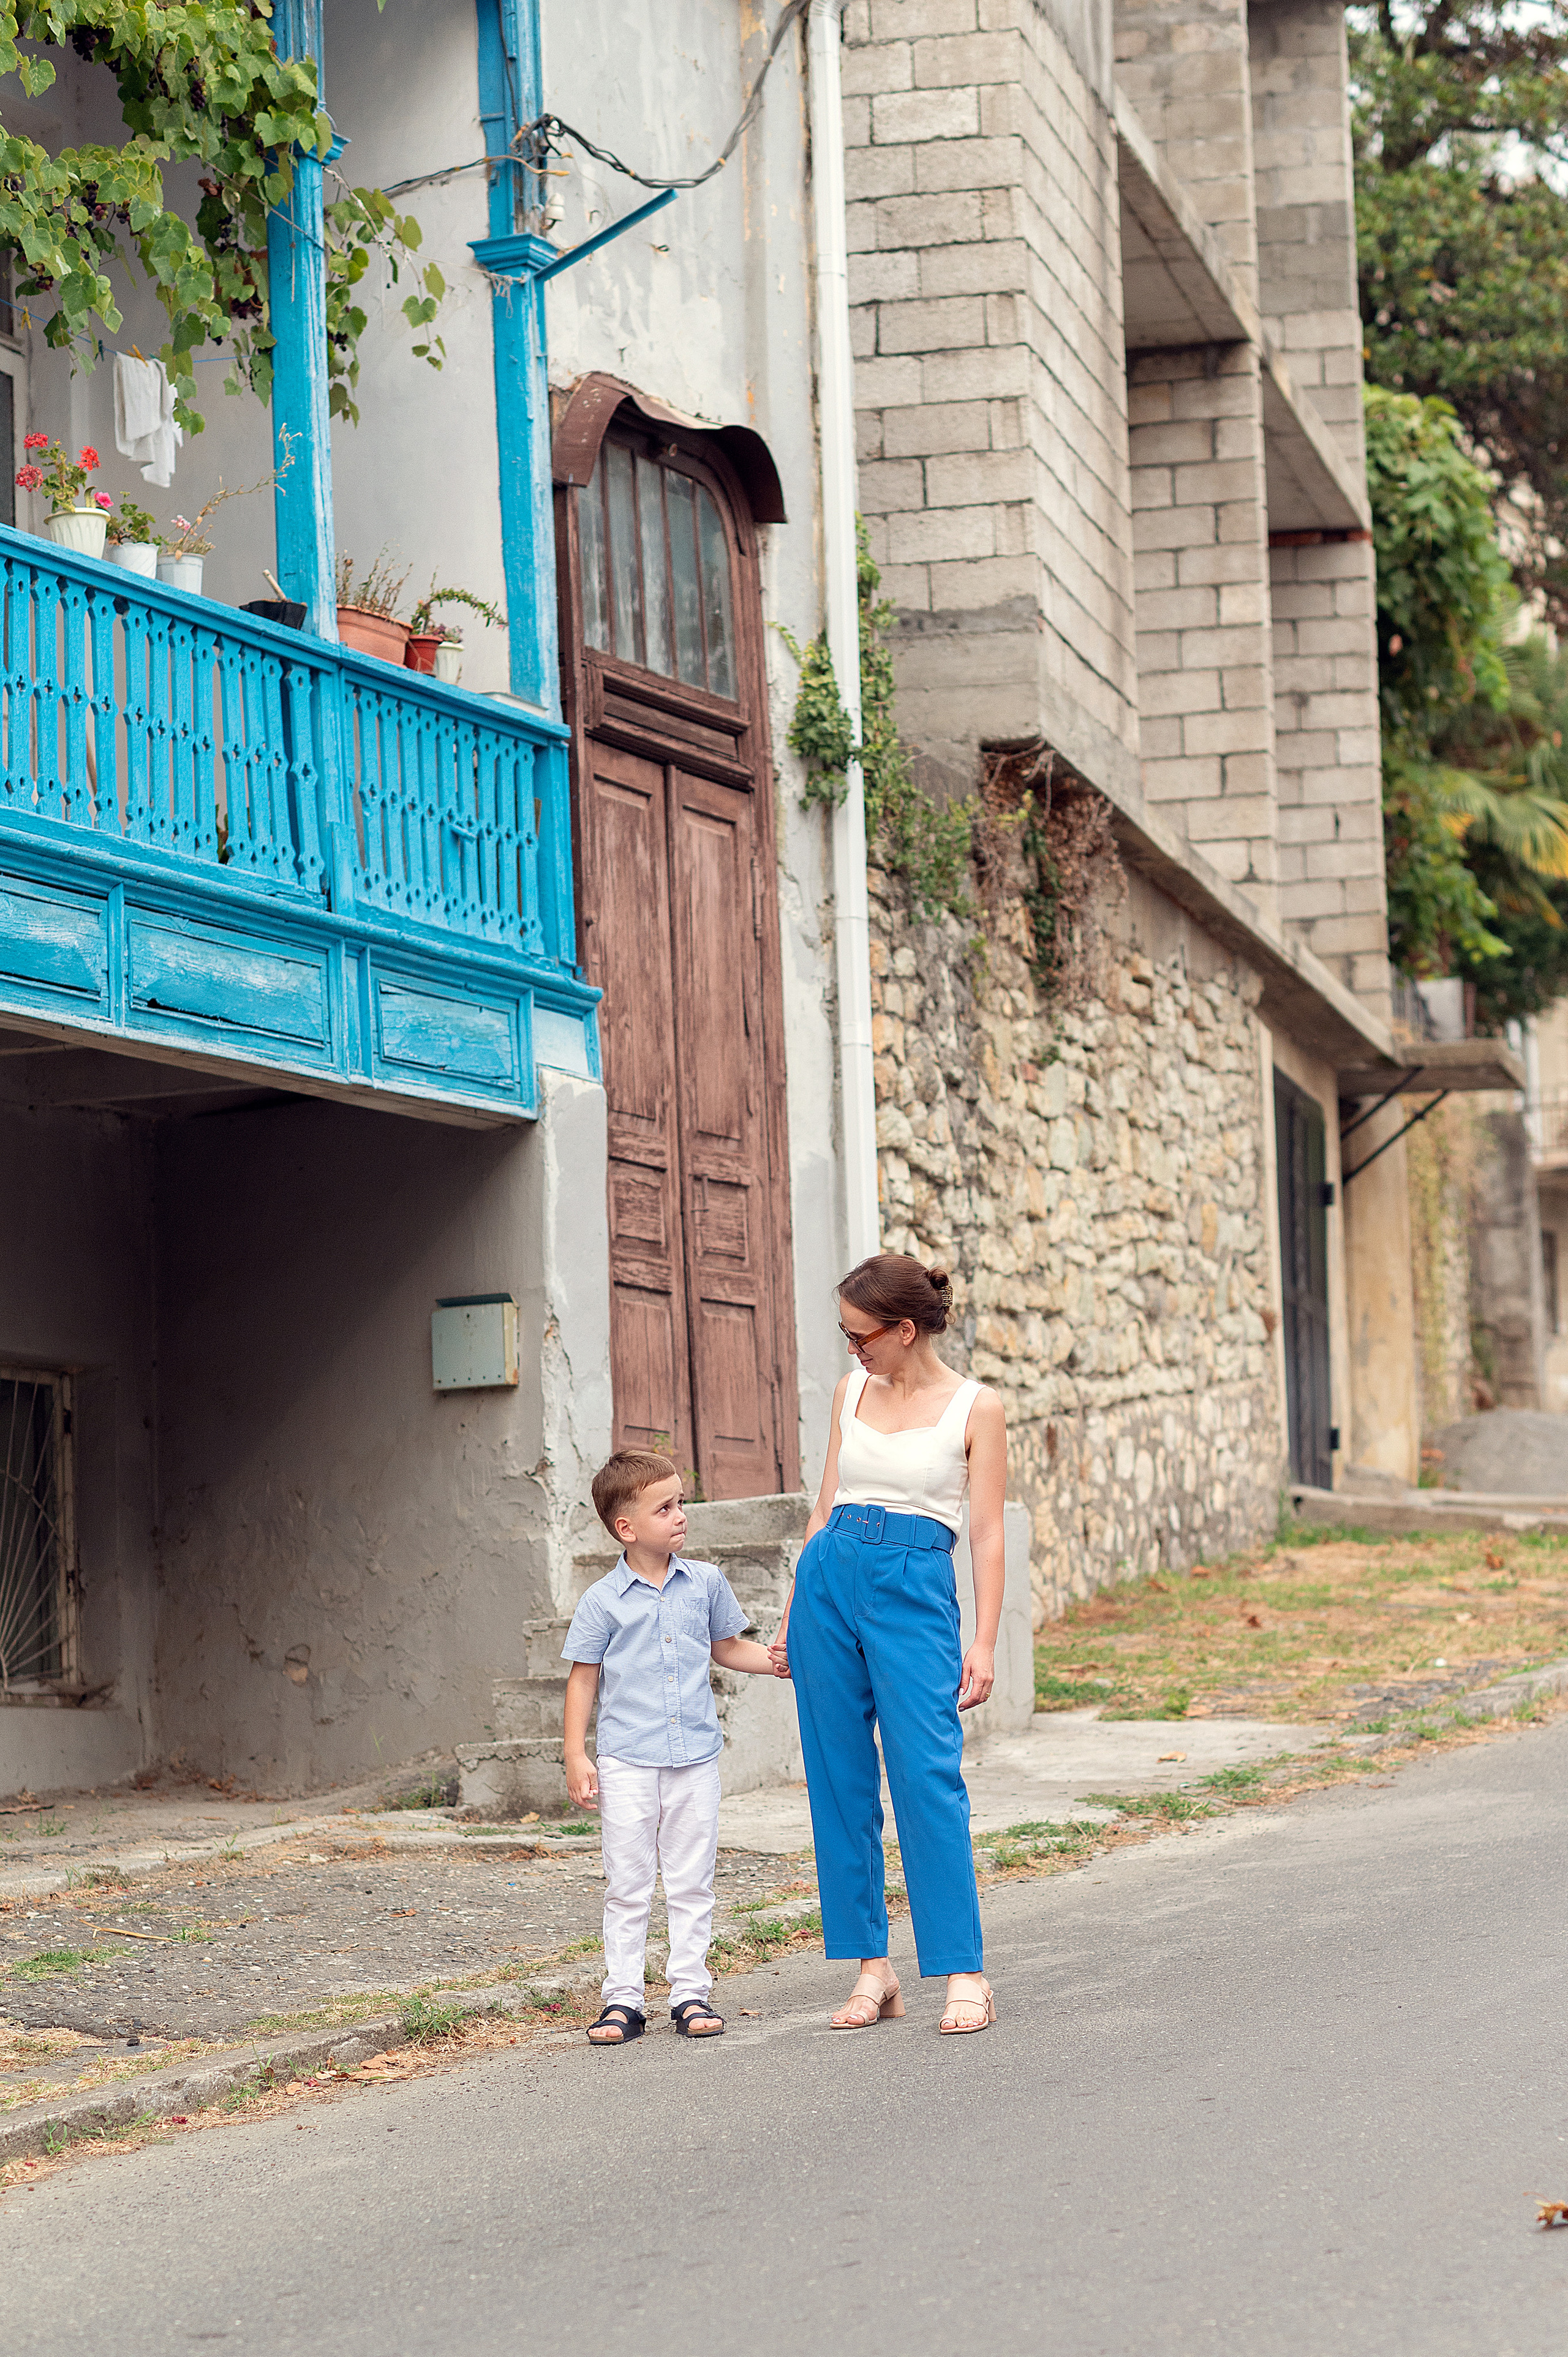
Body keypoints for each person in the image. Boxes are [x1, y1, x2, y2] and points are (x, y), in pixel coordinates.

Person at [771, 1253, 1007, 2034]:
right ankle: (873, 1967)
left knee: (926, 1775)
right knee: (838, 1778)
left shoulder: (975, 1407)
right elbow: (823, 1506)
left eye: (860, 1335)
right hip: (831, 1576)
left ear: (905, 1329)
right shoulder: (851, 1392)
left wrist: (983, 1641)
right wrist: (792, 1607)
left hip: (914, 1585)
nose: (851, 1349)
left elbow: (986, 1532)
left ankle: (964, 1971)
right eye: (845, 1334)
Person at [562, 1448, 784, 2045]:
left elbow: (727, 1647)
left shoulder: (705, 1582)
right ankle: (623, 1999)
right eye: (665, 1508)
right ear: (626, 1527)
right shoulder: (601, 1600)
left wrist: (775, 1662)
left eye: (681, 1502)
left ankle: (689, 1992)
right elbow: (583, 1678)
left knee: (691, 1880)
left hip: (694, 1761)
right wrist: (576, 1753)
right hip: (627, 1760)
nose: (681, 1514)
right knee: (628, 1884)